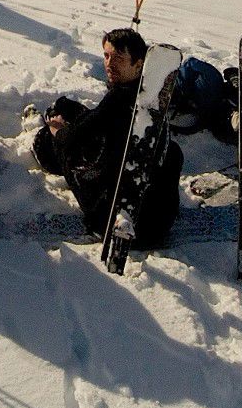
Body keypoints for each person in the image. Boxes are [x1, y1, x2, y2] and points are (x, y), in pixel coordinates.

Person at [32, 27, 181, 247]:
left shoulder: (119, 100)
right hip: (159, 224)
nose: (109, 64)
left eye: (119, 58)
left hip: (115, 224)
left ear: (139, 64)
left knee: (60, 144)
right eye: (107, 56)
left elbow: (70, 140)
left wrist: (56, 131)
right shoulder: (153, 101)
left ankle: (40, 139)